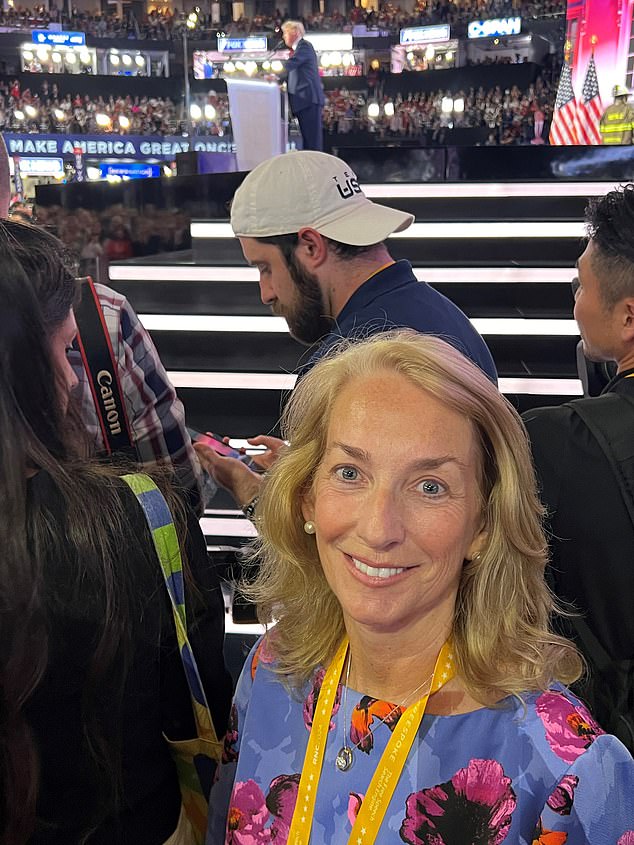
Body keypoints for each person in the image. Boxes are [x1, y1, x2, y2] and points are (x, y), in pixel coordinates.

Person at [206, 331, 634, 844]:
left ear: (483, 524)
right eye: (349, 472)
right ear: (305, 498)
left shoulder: (569, 770)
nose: (380, 528)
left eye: (430, 486)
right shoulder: (271, 671)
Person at [0, 221, 232, 844]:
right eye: (64, 351)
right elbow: (191, 677)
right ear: (31, 367)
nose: (76, 376)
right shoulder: (136, 515)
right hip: (131, 817)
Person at [195, 150, 496, 514]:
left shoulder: (343, 366)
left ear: (311, 246)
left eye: (265, 267)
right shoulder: (447, 317)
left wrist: (253, 494)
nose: (266, 292)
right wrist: (310, 465)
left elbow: (330, 544)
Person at [522, 184, 634, 750]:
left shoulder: (554, 442)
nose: (575, 300)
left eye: (579, 286)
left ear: (628, 316)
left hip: (607, 756)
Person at [6, 221, 204, 512]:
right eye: (64, 346)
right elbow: (177, 503)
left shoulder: (100, 319)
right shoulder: (101, 316)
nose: (71, 379)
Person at [281, 20, 325, 151]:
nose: (283, 37)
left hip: (308, 100)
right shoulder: (298, 49)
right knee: (307, 142)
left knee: (312, 143)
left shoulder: (304, 46)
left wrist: (274, 74)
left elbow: (291, 64)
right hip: (303, 102)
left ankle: (316, 169)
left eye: (285, 33)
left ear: (295, 32)